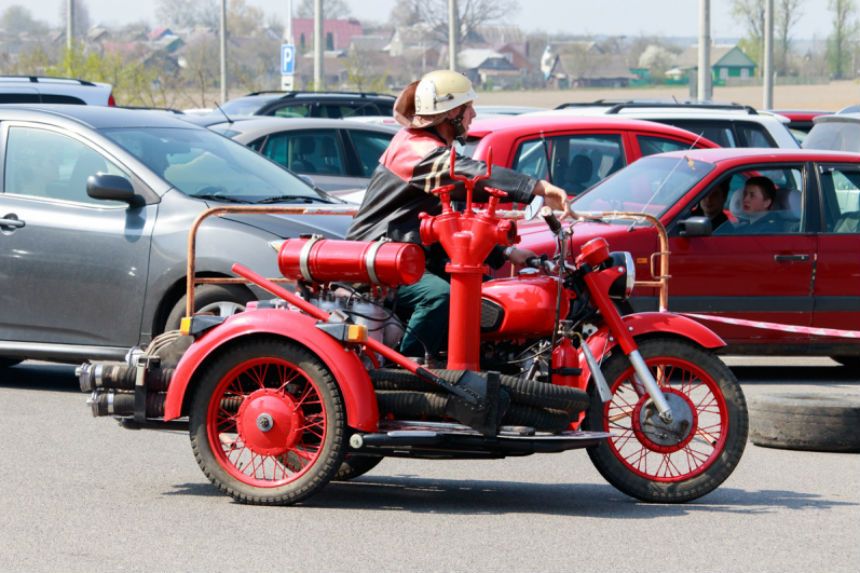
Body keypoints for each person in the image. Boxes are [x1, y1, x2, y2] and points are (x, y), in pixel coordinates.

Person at [346, 69, 571, 360]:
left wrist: (506, 252)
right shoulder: (416, 150)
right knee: (441, 296)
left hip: (405, 256)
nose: (474, 114)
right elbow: (471, 175)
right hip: (380, 260)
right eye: (468, 108)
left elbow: (452, 222)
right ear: (452, 112)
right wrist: (539, 188)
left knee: (487, 294)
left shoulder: (428, 149)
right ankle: (406, 371)